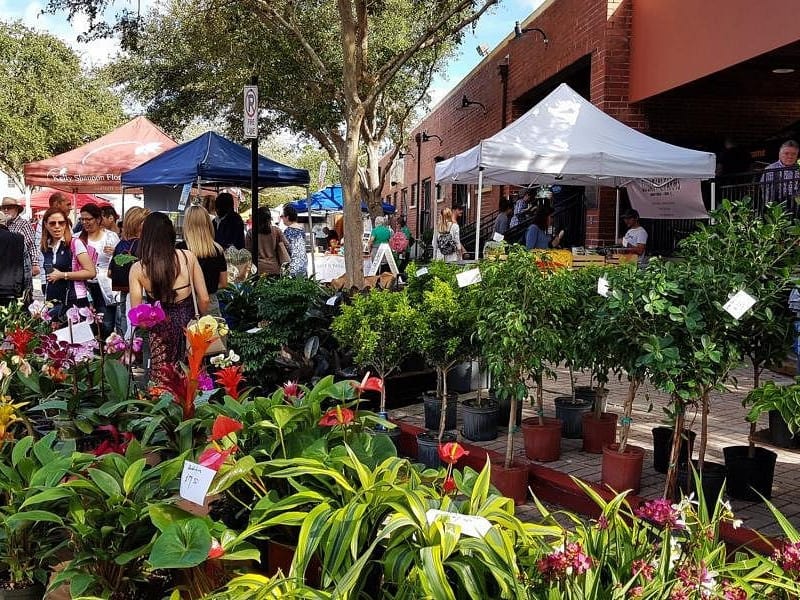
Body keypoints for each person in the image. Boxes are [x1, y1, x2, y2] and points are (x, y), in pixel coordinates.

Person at [129, 212, 209, 378]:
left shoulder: (138, 269)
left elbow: (137, 316)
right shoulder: (188, 257)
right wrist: (200, 316)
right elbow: (204, 298)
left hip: (160, 330)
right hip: (190, 326)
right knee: (193, 376)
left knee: (164, 378)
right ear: (171, 233)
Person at [40, 207, 97, 322]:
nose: (57, 226)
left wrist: (63, 275)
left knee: (77, 339)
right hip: (54, 301)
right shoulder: (46, 246)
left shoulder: (75, 243)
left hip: (75, 300)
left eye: (61, 223)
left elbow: (91, 272)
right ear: (46, 225)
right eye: (52, 223)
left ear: (66, 224)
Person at [178, 205, 228, 316]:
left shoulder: (180, 249)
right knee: (213, 332)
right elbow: (224, 283)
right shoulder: (217, 250)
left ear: (187, 224)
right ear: (207, 223)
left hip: (186, 304)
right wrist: (208, 287)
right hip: (211, 302)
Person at [79, 203, 120, 337]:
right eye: (82, 219)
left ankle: (105, 351)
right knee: (86, 324)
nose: (85, 222)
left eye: (88, 219)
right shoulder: (77, 238)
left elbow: (120, 260)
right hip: (84, 285)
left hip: (104, 286)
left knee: (107, 324)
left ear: (97, 219)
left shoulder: (110, 237)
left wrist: (115, 253)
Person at [109, 207, 150, 337]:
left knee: (125, 324)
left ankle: (127, 352)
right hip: (141, 292)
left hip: (123, 290)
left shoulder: (120, 244)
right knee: (140, 329)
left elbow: (110, 272)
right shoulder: (144, 245)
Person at [2, 197, 38, 295]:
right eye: (3, 208)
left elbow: (32, 244)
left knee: (23, 294)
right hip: (7, 268)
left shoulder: (24, 224)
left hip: (21, 265)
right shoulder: (4, 225)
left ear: (16, 209)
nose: (5, 210)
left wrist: (35, 264)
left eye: (9, 207)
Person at [245, 206, 290, 276]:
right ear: (269, 218)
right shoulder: (276, 231)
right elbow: (287, 246)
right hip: (274, 268)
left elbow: (248, 252)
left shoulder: (250, 232)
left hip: (258, 269)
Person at [0, 210, 25, 306]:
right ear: (5, 222)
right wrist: (24, 290)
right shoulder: (18, 239)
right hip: (11, 290)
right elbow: (26, 267)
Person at [280, 205, 308, 277]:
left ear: (287, 217)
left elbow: (285, 248)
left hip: (293, 264)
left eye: (282, 216)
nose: (282, 218)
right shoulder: (301, 229)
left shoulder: (288, 231)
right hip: (303, 263)